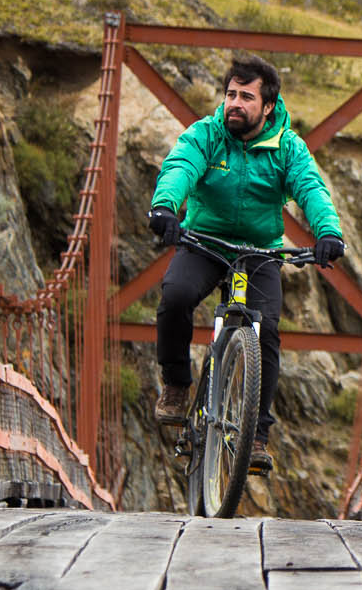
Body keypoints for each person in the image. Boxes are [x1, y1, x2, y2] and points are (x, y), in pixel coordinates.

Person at [147, 54, 347, 474]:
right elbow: (181, 165)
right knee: (175, 296)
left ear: (268, 105)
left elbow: (310, 186)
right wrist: (165, 207)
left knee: (266, 329)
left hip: (259, 252)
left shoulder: (287, 147)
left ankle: (256, 436)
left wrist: (328, 232)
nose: (234, 103)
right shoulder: (208, 133)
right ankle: (177, 385)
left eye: (245, 96)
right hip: (204, 241)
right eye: (230, 94)